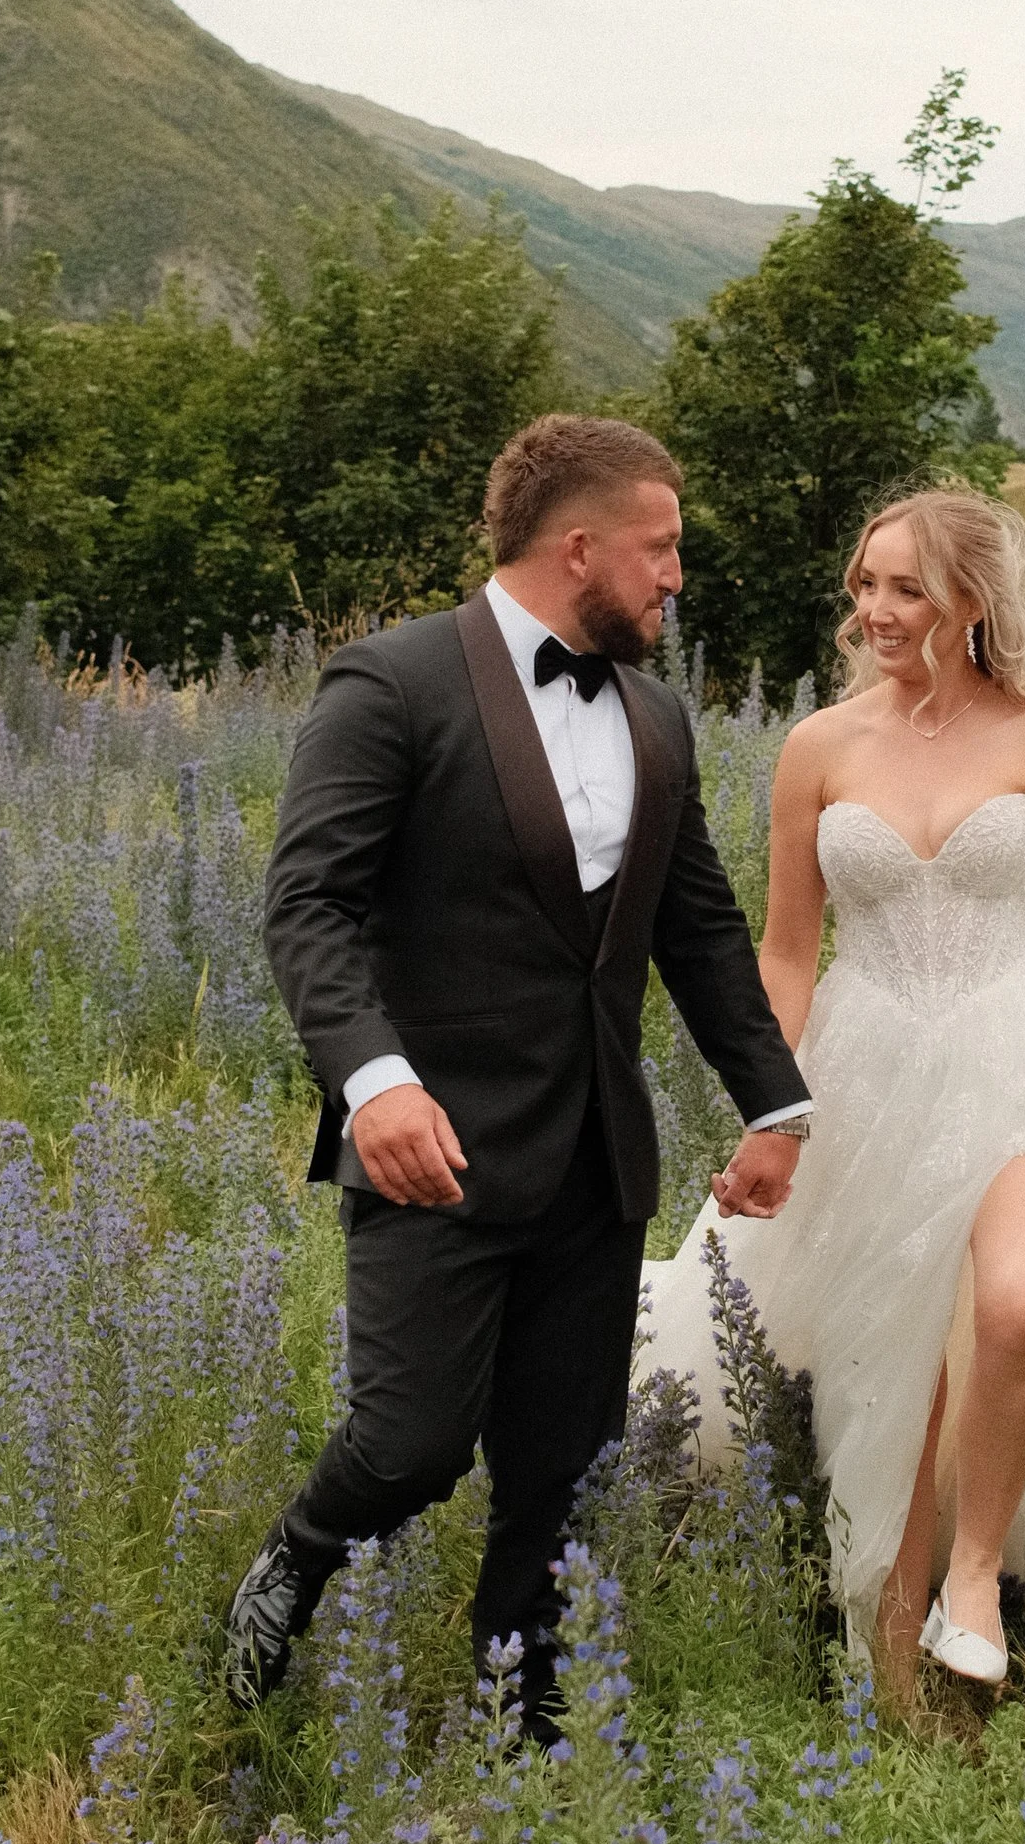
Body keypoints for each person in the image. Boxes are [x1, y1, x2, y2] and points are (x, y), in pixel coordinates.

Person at [224, 413, 810, 1724]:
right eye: (661, 549)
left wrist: (774, 1100)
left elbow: (698, 925)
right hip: (432, 1146)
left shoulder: (657, 717)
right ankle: (300, 1552)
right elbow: (308, 905)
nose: (676, 576)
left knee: (565, 1466)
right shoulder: (391, 684)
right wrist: (373, 1081)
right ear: (580, 546)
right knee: (411, 1443)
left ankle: (524, 1720)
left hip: (597, 1154)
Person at [637, 486, 1025, 1700]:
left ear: (970, 602)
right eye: (863, 585)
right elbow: (785, 953)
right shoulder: (820, 749)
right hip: (866, 1066)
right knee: (895, 1361)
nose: (872, 610)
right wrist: (771, 1111)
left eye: (904, 588)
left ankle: (975, 1575)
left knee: (1022, 1307)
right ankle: (893, 1651)